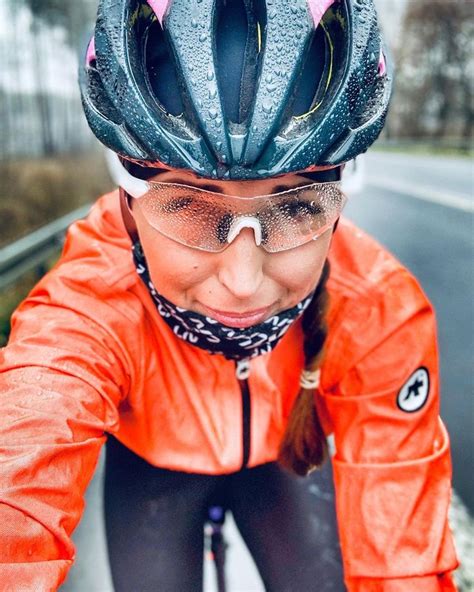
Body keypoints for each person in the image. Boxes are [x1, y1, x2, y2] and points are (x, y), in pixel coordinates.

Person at [0, 0, 459, 590]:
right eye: (188, 206)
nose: (243, 284)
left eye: (296, 206)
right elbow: (20, 470)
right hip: (156, 466)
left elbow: (404, 550)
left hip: (285, 456)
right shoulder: (90, 300)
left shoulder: (375, 306)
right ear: (129, 203)